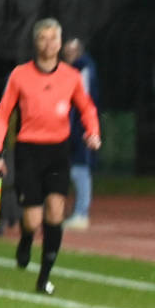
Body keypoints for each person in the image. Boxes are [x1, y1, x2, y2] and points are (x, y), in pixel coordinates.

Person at [0, 17, 101, 294]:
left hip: (58, 151)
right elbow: (3, 115)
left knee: (55, 211)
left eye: (54, 38)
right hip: (28, 151)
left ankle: (44, 276)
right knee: (33, 219)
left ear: (60, 43)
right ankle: (26, 238)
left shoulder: (71, 77)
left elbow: (87, 108)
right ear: (35, 42)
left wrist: (93, 132)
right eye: (43, 38)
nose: (49, 44)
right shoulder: (20, 75)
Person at [62, 36, 98, 229]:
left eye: (72, 52)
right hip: (76, 124)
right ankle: (78, 210)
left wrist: (83, 128)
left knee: (80, 167)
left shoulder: (82, 68)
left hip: (80, 126)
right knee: (75, 168)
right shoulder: (77, 69)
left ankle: (81, 213)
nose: (68, 55)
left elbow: (82, 100)